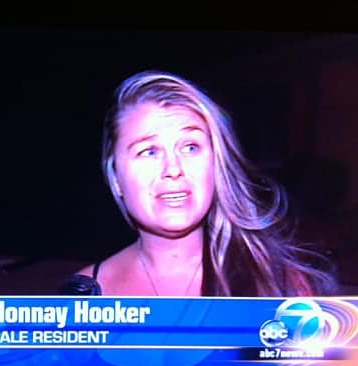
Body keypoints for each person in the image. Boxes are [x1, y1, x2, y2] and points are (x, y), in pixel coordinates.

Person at [60, 70, 337, 297]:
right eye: (149, 151)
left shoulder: (280, 284)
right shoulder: (84, 295)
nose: (173, 169)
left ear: (216, 165)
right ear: (116, 177)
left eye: (190, 147)